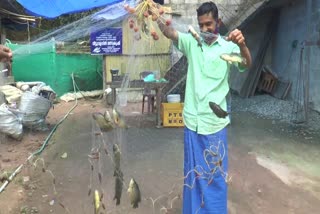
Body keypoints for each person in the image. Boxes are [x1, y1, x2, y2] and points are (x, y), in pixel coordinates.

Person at [157, 2, 252, 213]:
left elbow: (246, 64)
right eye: (201, 25)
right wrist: (155, 13)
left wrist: (243, 46)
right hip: (192, 123)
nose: (205, 29)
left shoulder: (228, 47)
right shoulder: (192, 42)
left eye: (209, 24)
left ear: (218, 22)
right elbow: (170, 32)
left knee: (214, 176)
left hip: (214, 125)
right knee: (192, 174)